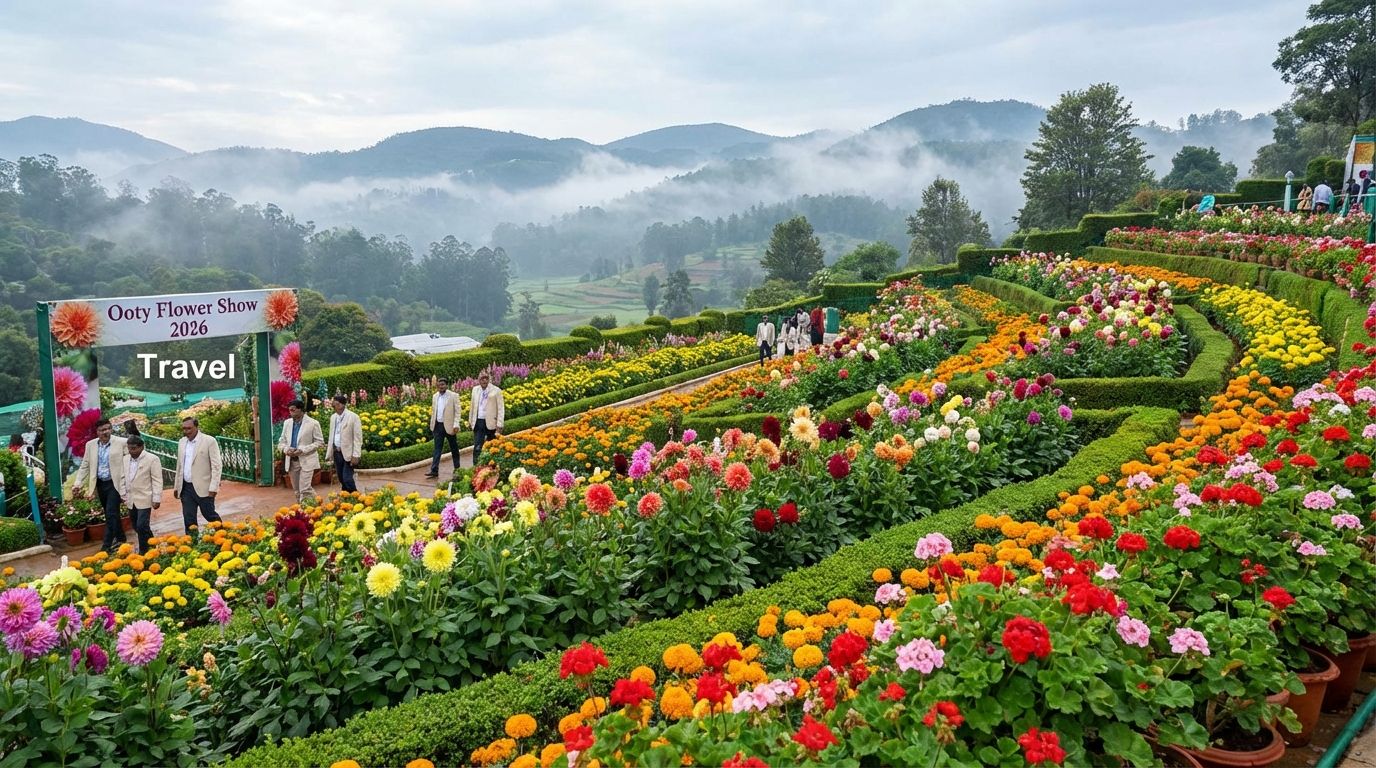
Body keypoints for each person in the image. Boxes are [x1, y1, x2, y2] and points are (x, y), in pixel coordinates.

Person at [73, 418, 128, 553]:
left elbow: (129, 462)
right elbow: (85, 465)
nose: (106, 432)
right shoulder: (91, 445)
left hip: (115, 483)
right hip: (100, 484)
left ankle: (106, 546)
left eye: (108, 428)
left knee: (111, 513)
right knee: (111, 513)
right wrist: (78, 483)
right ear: (96, 432)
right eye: (102, 430)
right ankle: (121, 537)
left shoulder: (122, 443)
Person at [172, 416, 223, 537]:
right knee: (189, 519)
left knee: (209, 515)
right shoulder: (182, 442)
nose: (186, 431)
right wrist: (177, 487)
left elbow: (217, 466)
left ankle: (223, 537)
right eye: (184, 429)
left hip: (204, 487)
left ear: (196, 427)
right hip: (186, 488)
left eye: (189, 428)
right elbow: (179, 466)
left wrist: (214, 487)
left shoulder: (209, 441)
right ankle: (192, 543)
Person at [121, 436, 162, 555]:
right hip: (130, 498)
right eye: (129, 448)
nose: (131, 451)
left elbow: (157, 480)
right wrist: (123, 494)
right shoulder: (125, 459)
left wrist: (156, 498)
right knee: (136, 526)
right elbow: (122, 477)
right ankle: (153, 545)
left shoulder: (152, 459)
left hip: (145, 497)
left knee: (141, 525)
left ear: (141, 447)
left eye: (134, 448)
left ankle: (143, 552)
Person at [278, 399, 323, 503]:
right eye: (289, 410)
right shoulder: (287, 423)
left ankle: (311, 507)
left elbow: (320, 442)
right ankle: (306, 506)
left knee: (305, 489)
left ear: (301, 410)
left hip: (307, 459)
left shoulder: (313, 423)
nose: (290, 412)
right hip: (292, 461)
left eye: (293, 410)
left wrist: (302, 450)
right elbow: (281, 442)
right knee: (297, 490)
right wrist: (286, 449)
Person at [424, 378, 460, 479]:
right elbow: (434, 411)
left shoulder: (453, 396)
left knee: (454, 448)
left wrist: (456, 425)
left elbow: (457, 412)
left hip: (450, 426)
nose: (441, 387)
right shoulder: (435, 396)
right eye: (439, 385)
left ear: (446, 385)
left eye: (443, 384)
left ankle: (457, 469)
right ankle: (434, 470)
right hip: (438, 426)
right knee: (437, 449)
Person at [327, 394, 363, 493]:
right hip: (337, 452)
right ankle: (346, 497)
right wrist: (330, 452)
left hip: (349, 453)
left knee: (347, 478)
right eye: (333, 405)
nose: (334, 406)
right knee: (341, 478)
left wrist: (356, 455)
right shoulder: (333, 417)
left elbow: (358, 438)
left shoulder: (353, 417)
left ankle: (356, 496)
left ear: (342, 405)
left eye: (335, 404)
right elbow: (331, 435)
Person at [468, 370, 505, 465]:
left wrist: (500, 424)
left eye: (486, 378)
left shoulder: (496, 390)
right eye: (482, 378)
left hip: (491, 422)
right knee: (477, 446)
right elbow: (472, 406)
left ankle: (493, 466)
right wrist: (470, 420)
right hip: (479, 421)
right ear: (478, 380)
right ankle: (476, 466)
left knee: (493, 446)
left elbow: (501, 408)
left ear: (489, 379)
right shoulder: (475, 390)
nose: (484, 380)